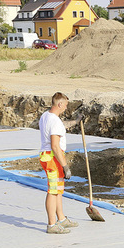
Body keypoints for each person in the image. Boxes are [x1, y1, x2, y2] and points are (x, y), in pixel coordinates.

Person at [39, 92, 78, 234]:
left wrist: (76, 121)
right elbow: (55, 146)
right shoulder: (54, 121)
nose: (66, 108)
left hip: (50, 156)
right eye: (66, 105)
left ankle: (61, 219)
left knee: (58, 190)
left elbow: (61, 125)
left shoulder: (46, 116)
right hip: (53, 158)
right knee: (53, 191)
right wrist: (65, 166)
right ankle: (52, 224)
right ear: (60, 104)